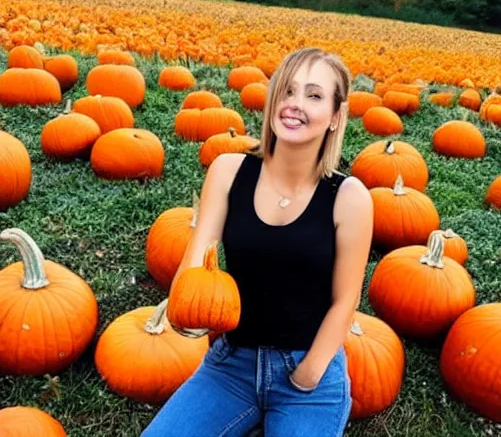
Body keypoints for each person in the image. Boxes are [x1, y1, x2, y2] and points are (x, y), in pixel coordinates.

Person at [142, 48, 372, 437]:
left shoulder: (350, 198)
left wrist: (308, 374)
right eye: (287, 91)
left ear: (335, 116)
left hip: (308, 371)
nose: (295, 105)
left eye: (314, 96)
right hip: (232, 363)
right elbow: (199, 256)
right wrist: (188, 311)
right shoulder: (228, 171)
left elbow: (345, 300)